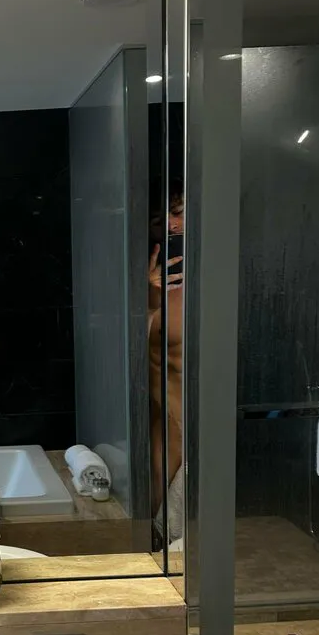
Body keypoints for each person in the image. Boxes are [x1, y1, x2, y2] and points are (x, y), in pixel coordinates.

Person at [149, 183, 184, 543]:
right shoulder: (145, 283)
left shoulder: (227, 281)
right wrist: (149, 297)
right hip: (168, 429)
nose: (172, 225)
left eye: (180, 213)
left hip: (211, 435)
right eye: (161, 220)